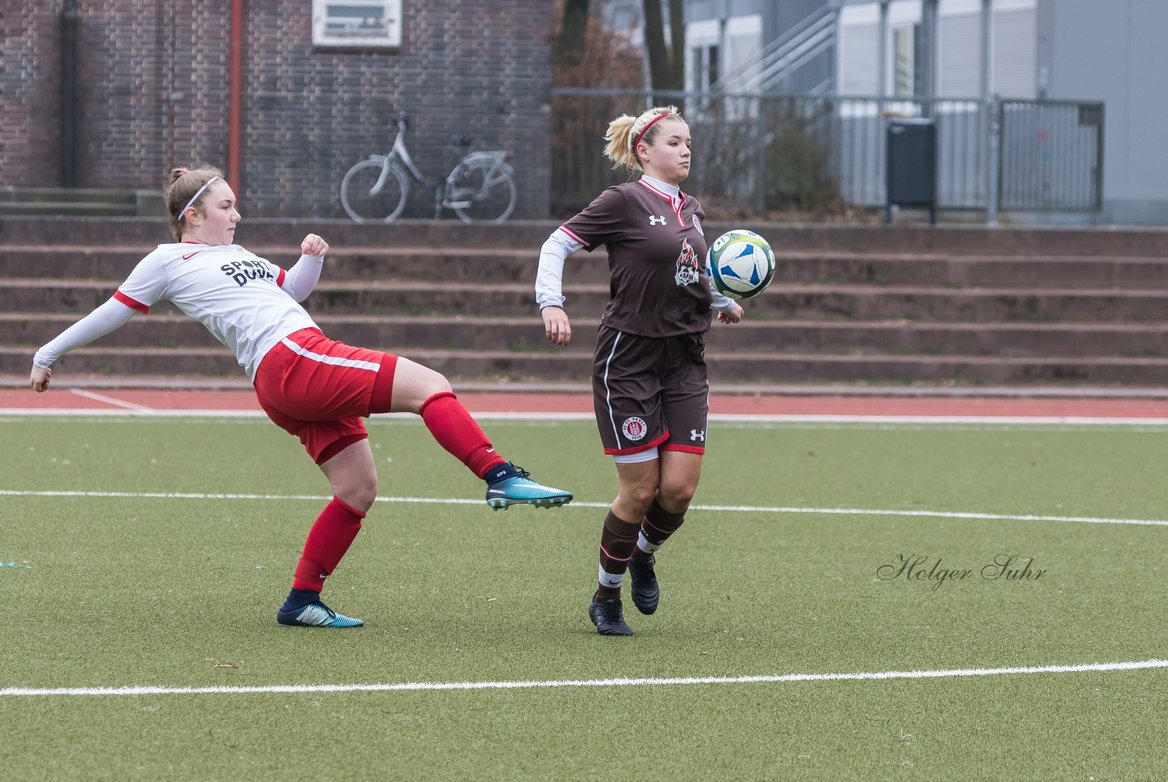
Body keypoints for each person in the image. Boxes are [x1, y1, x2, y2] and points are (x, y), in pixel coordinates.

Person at [30, 165, 572, 629]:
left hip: (284, 379)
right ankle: (499, 475)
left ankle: (302, 600)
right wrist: (48, 353)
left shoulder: (237, 252)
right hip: (295, 358)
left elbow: (290, 289)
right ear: (193, 215)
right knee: (429, 385)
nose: (236, 214)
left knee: (357, 489)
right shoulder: (167, 259)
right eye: (226, 205)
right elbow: (113, 310)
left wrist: (310, 259)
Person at [535, 105, 744, 636]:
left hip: (686, 359)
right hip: (629, 361)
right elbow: (556, 243)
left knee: (679, 489)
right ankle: (606, 595)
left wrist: (720, 299)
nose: (686, 149)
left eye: (689, 141)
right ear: (643, 152)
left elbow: (689, 266)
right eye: (675, 142)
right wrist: (551, 303)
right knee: (640, 489)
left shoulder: (690, 208)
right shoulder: (623, 200)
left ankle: (642, 554)